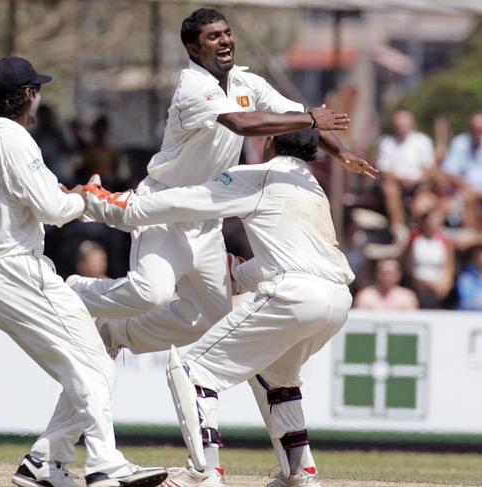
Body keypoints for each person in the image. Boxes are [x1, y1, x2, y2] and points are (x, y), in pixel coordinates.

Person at [69, 8, 375, 487]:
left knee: (209, 321)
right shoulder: (193, 87)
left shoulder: (249, 82)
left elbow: (296, 122)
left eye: (228, 33)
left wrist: (341, 151)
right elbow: (243, 123)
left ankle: (117, 336)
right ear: (195, 49)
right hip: (167, 207)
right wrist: (104, 205)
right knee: (151, 292)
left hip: (208, 219)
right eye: (214, 36)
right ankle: (78, 294)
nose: (225, 40)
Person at [0, 56, 166, 487]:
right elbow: (53, 208)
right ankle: (105, 465)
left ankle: (44, 464)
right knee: (94, 368)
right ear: (29, 95)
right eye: (38, 91)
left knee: (83, 369)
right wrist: (85, 197)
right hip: (24, 273)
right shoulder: (15, 141)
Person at [82, 129, 355, 487]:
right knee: (278, 379)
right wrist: (237, 274)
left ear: (268, 142)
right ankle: (300, 473)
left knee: (193, 371)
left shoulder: (256, 176)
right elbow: (294, 257)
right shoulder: (310, 186)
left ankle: (204, 472)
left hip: (294, 296)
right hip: (336, 299)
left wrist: (107, 203)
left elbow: (184, 201)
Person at [441, 112, 482, 230]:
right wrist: (468, 188)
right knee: (461, 202)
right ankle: (472, 234)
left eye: (481, 129)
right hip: (465, 188)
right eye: (475, 129)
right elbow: (450, 171)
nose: (478, 132)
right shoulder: (459, 143)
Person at [376, 110, 435, 227]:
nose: (400, 128)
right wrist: (401, 180)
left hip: (419, 185)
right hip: (396, 184)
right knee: (389, 189)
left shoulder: (422, 141)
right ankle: (399, 228)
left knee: (425, 202)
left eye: (403, 125)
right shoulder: (386, 143)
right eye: (398, 126)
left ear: (412, 124)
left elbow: (430, 169)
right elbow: (384, 169)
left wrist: (416, 180)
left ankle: (418, 230)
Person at [407, 209, 455, 309]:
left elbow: (449, 266)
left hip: (439, 288)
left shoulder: (445, 241)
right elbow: (409, 268)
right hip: (419, 286)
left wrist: (444, 285)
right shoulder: (414, 240)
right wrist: (429, 285)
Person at [354, 259, 419, 310]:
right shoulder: (365, 296)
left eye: (391, 273)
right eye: (384, 273)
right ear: (377, 274)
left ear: (398, 275)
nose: (387, 277)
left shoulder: (407, 297)